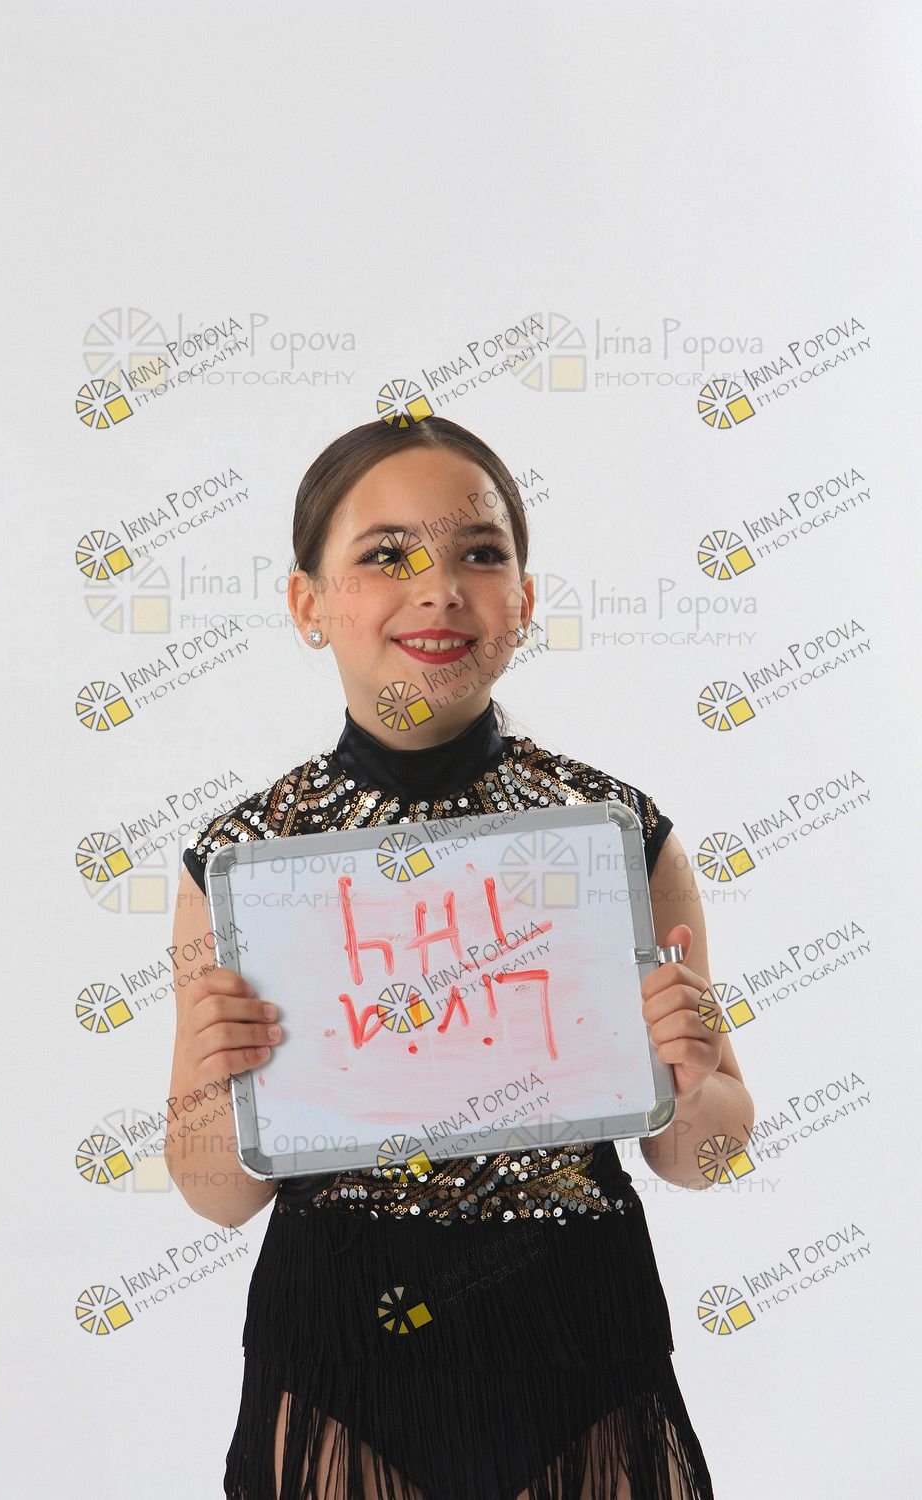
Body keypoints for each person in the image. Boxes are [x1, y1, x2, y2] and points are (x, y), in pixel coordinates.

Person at [165, 415, 754, 1499]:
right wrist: (211, 1082)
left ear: (522, 598)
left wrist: (693, 1070)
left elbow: (704, 1155)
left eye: (479, 553)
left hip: (578, 1330)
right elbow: (217, 1196)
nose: (438, 589)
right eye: (386, 554)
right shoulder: (248, 862)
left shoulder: (611, 835)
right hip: (338, 1342)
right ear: (307, 603)